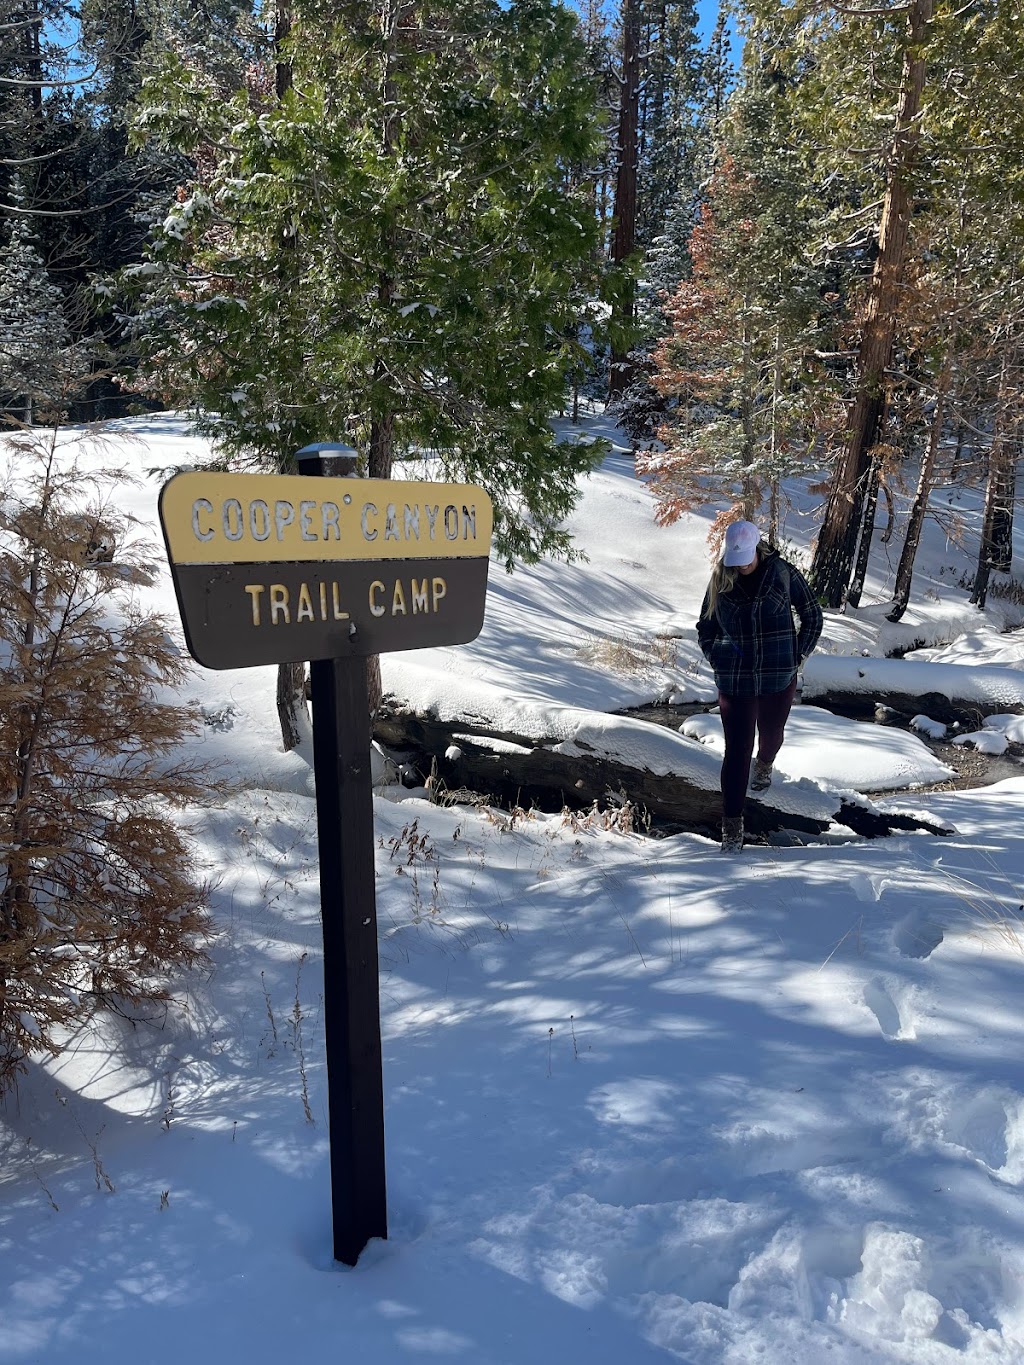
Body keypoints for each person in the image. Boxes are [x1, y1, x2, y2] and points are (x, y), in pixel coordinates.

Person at [696, 520, 823, 852]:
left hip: (778, 675)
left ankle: (765, 762)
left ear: (758, 550)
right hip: (735, 678)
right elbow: (705, 626)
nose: (741, 567)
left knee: (771, 735)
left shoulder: (781, 572)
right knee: (736, 751)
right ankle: (731, 830)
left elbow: (812, 613)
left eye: (747, 560)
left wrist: (799, 655)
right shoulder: (720, 578)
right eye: (736, 562)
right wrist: (716, 656)